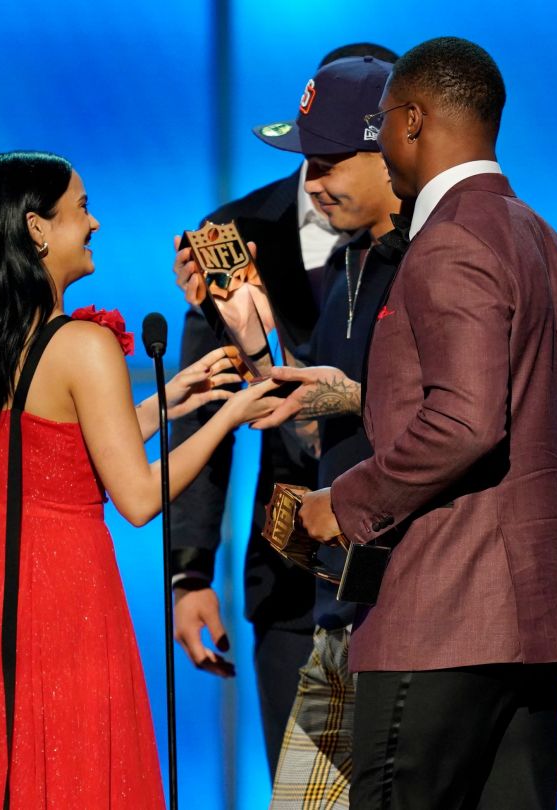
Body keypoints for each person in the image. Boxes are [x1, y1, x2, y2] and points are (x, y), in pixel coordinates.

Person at [0, 151, 278, 809]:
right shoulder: (82, 347)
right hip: (59, 594)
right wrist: (230, 412)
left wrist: (168, 400)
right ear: (37, 229)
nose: (94, 224)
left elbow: (45, 451)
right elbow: (138, 496)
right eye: (82, 208)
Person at [296, 38, 557, 809]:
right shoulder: (553, 247)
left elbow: (466, 422)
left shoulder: (449, 244)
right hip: (538, 623)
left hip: (442, 618)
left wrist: (345, 501)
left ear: (409, 120)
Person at [168, 42, 398, 778]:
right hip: (291, 570)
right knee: (308, 789)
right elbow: (204, 411)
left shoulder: (424, 240)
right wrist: (189, 574)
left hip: (402, 563)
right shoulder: (228, 237)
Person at [237, 54, 402, 808]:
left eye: (328, 162)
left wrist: (355, 398)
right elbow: (316, 436)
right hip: (337, 626)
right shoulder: (350, 269)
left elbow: (469, 423)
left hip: (413, 628)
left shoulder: (445, 263)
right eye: (305, 162)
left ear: (392, 147)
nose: (309, 183)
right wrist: (255, 345)